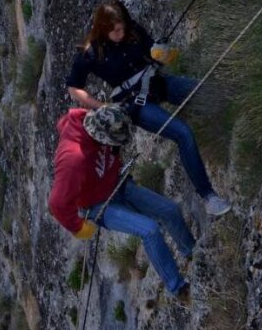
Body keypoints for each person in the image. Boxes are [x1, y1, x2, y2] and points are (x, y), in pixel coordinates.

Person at [66, 0, 231, 216]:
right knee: (183, 133)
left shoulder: (133, 31)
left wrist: (163, 54)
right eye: (115, 30)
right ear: (103, 29)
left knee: (214, 94)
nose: (121, 33)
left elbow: (155, 56)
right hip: (135, 105)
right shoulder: (91, 53)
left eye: (122, 27)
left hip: (157, 84)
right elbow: (74, 88)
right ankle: (209, 197)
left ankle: (230, 128)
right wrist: (102, 106)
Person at [48, 104, 193, 298]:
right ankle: (179, 289)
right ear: (99, 137)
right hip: (99, 205)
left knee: (170, 210)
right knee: (149, 230)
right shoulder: (73, 160)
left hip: (118, 183)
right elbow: (57, 205)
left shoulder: (97, 117)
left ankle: (191, 252)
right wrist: (79, 228)